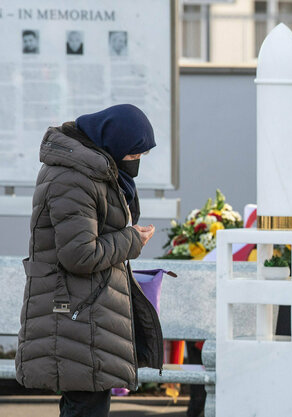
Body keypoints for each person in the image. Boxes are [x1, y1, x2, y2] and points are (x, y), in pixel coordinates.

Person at [16, 104, 163, 417]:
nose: (136, 163)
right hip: (75, 314)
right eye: (133, 155)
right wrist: (132, 240)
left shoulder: (95, 172)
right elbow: (79, 254)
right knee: (86, 406)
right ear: (114, 144)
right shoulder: (73, 178)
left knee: (85, 404)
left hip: (86, 313)